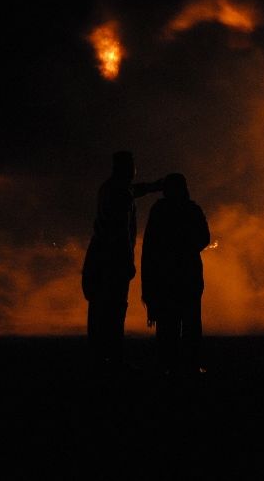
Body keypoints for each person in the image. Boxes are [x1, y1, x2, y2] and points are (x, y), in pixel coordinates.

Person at [82, 150, 163, 373]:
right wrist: (128, 260)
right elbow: (121, 231)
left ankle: (98, 357)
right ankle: (114, 358)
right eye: (133, 166)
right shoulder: (122, 194)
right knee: (115, 309)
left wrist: (153, 186)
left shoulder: (108, 188)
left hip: (98, 255)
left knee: (98, 308)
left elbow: (134, 191)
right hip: (113, 258)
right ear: (128, 168)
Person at [140, 173, 211, 378]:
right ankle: (190, 366)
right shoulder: (192, 209)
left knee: (166, 324)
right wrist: (186, 247)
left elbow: (149, 247)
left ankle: (166, 365)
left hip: (164, 276)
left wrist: (148, 284)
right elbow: (204, 238)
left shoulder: (159, 211)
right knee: (191, 324)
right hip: (189, 275)